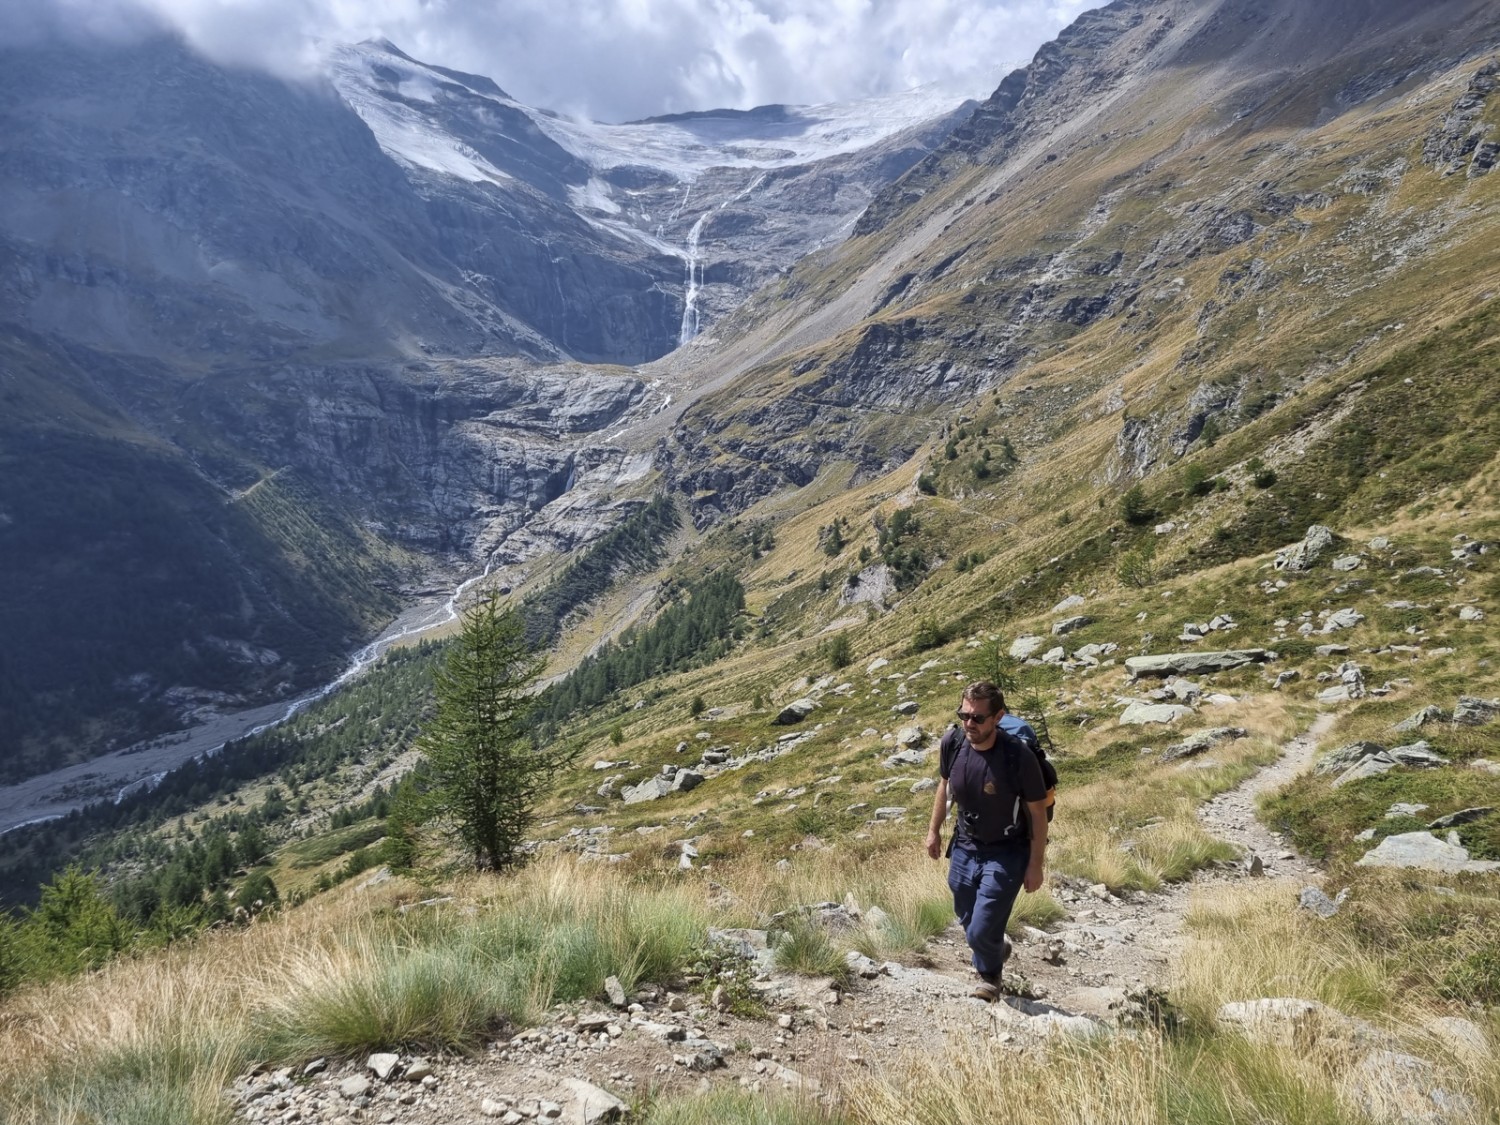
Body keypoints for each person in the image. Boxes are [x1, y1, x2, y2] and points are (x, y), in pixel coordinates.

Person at [924, 681, 1048, 1001]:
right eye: (964, 715)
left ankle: (990, 977)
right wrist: (934, 830)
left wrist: (1035, 865)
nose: (969, 724)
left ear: (997, 717)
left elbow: (1037, 813)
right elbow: (945, 788)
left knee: (981, 928)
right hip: (966, 843)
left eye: (978, 718)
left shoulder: (1017, 756)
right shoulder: (953, 743)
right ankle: (996, 947)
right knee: (966, 915)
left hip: (1008, 849)